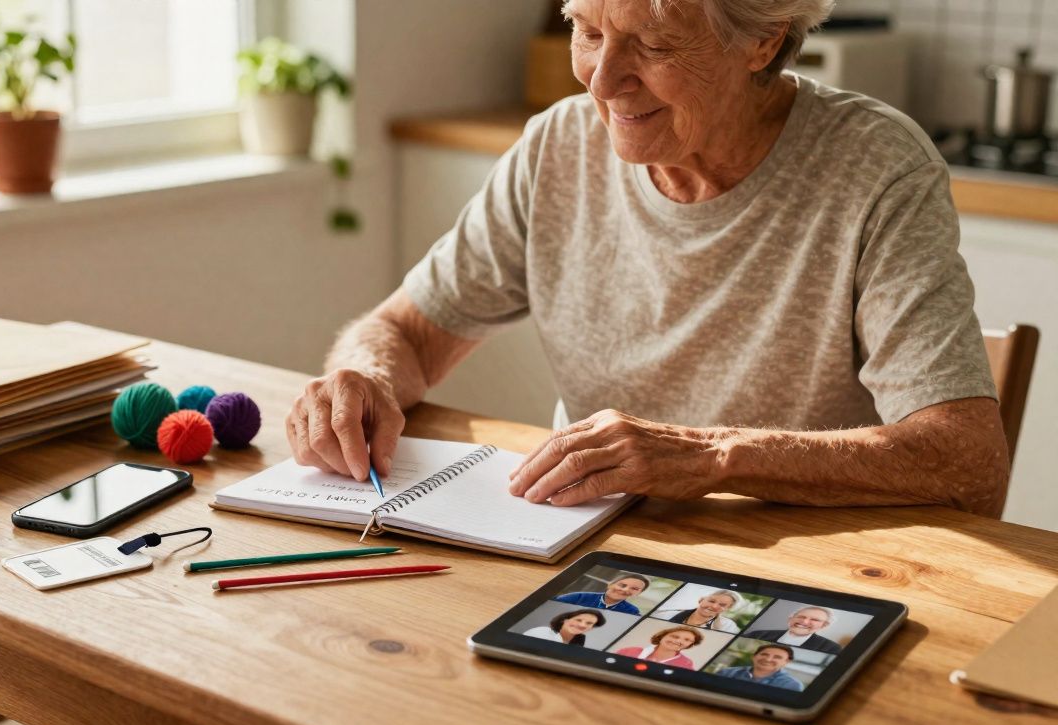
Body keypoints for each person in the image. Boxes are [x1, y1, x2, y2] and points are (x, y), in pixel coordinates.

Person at [284, 0, 1009, 519]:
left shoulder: (876, 168)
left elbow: (965, 461)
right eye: (587, 31)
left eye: (653, 45)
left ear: (762, 41)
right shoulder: (558, 146)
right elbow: (407, 333)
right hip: (585, 545)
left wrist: (709, 457)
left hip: (804, 570)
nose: (601, 81)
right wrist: (362, 381)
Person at [745, 606, 842, 654]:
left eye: (814, 619)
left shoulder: (831, 648)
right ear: (790, 618)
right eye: (801, 617)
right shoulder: (757, 634)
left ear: (824, 625)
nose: (804, 622)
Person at [716, 644, 805, 691]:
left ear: (786, 662)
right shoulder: (726, 673)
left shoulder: (792, 685)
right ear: (754, 656)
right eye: (764, 654)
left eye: (777, 657)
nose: (768, 659)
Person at [554, 573, 651, 614]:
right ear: (610, 584)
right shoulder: (578, 597)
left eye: (634, 588)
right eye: (622, 585)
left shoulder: (632, 611)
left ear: (638, 593)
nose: (625, 590)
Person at [653, 590, 742, 633]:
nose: (714, 606)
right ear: (701, 600)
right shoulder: (666, 615)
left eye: (722, 605)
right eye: (711, 601)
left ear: (727, 609)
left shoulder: (728, 626)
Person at [614, 626, 702, 670]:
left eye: (687, 640)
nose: (679, 641)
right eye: (674, 636)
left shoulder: (686, 664)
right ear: (662, 636)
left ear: (690, 645)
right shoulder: (629, 651)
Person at [523, 609, 607, 646]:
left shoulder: (576, 644)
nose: (582, 625)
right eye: (578, 620)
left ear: (591, 628)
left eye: (589, 623)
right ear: (565, 620)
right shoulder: (542, 632)